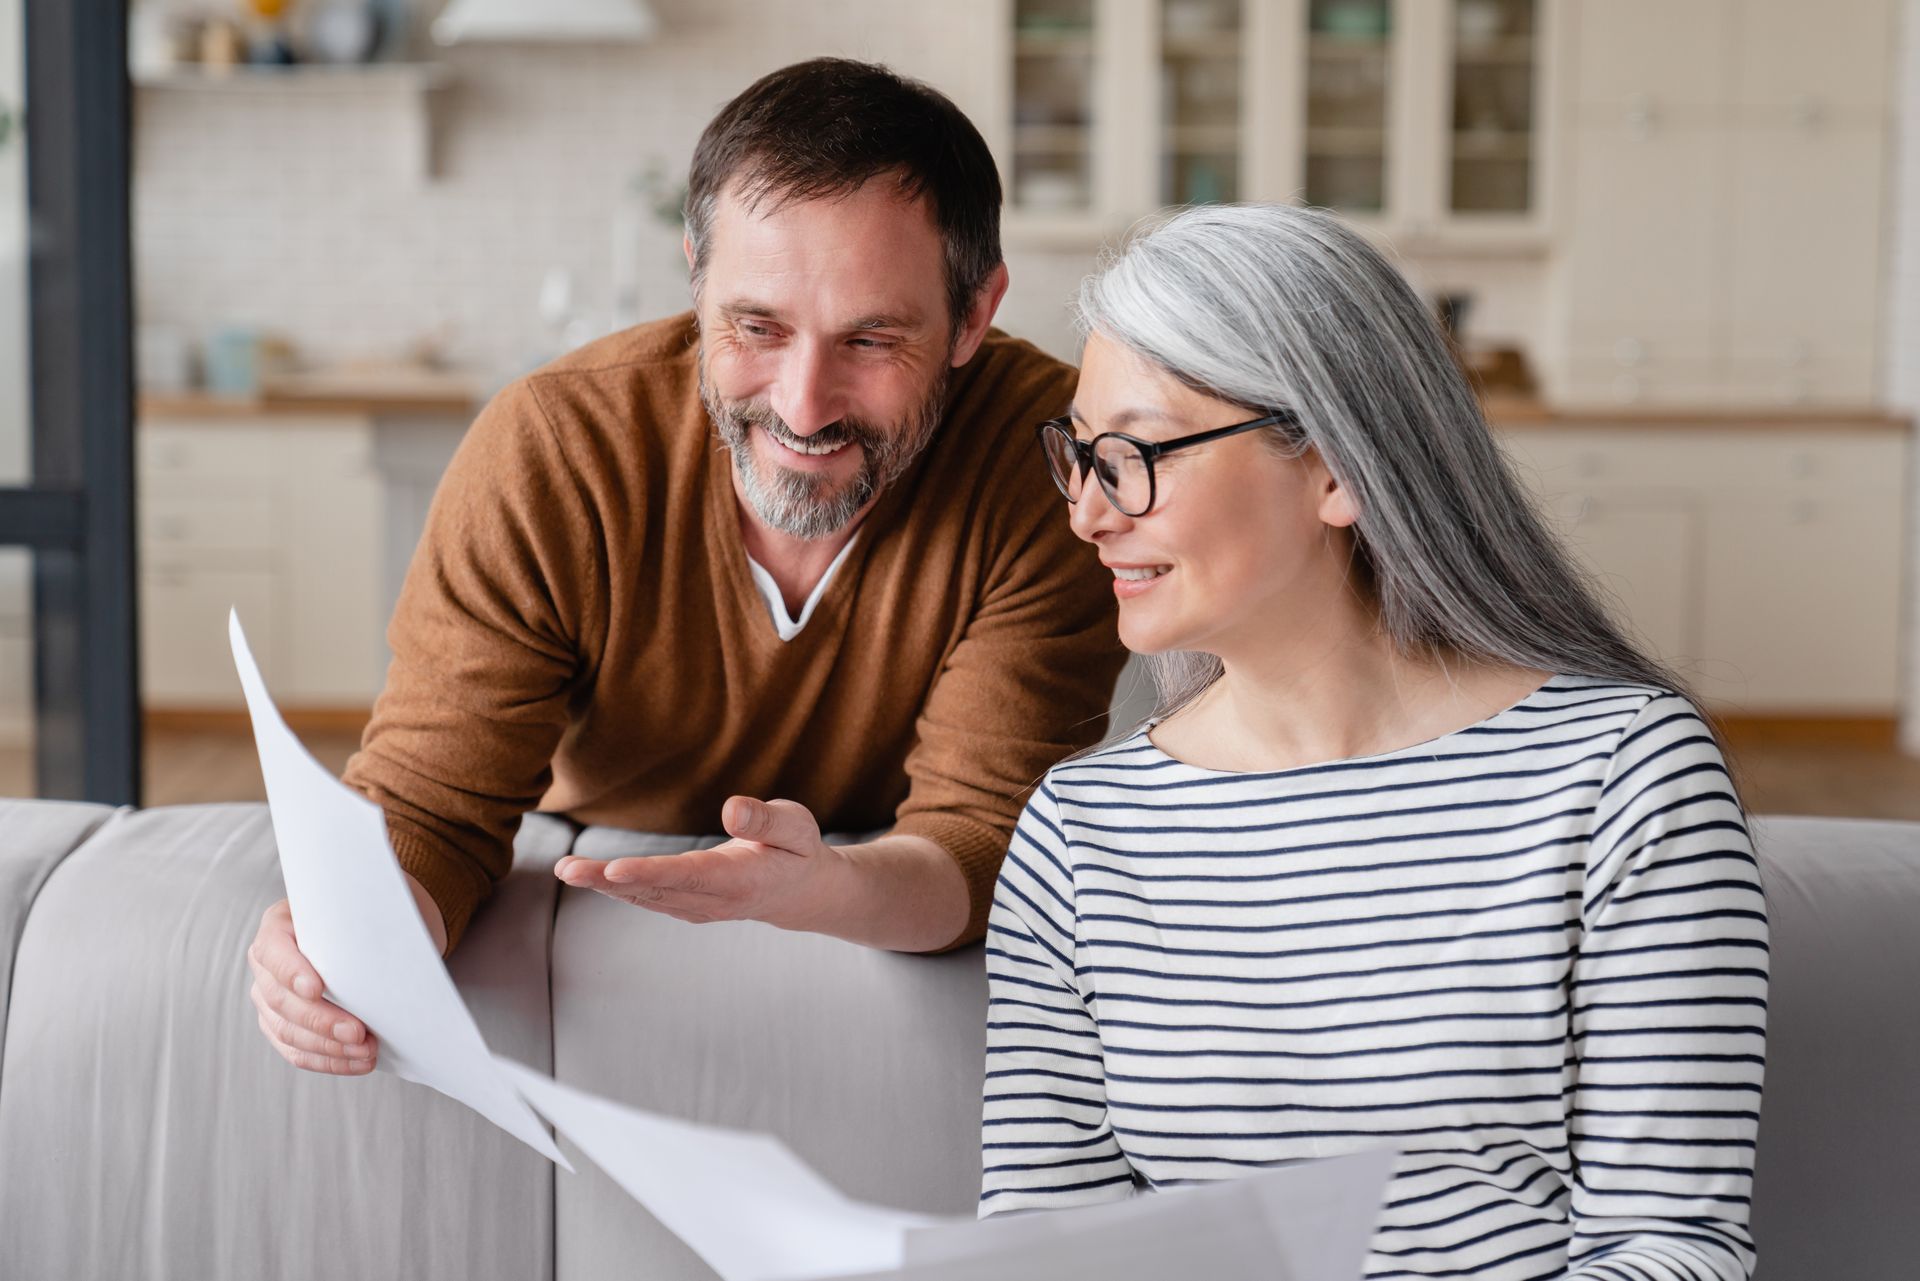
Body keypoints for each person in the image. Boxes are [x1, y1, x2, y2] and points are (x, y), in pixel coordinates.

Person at [245, 58, 1125, 1077]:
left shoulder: (1047, 465)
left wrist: (820, 889)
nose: (803, 407)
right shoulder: (557, 444)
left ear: (974, 314)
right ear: (696, 274)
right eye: (756, 327)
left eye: (872, 339)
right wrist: (353, 942)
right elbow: (435, 811)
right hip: (590, 866)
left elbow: (976, 842)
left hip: (879, 906)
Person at [980, 204, 1767, 1280]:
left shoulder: (1623, 778)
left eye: (1139, 453)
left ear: (1338, 469)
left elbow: (1671, 1251)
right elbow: (1040, 1246)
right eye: (1079, 454)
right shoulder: (1082, 835)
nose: (1089, 512)